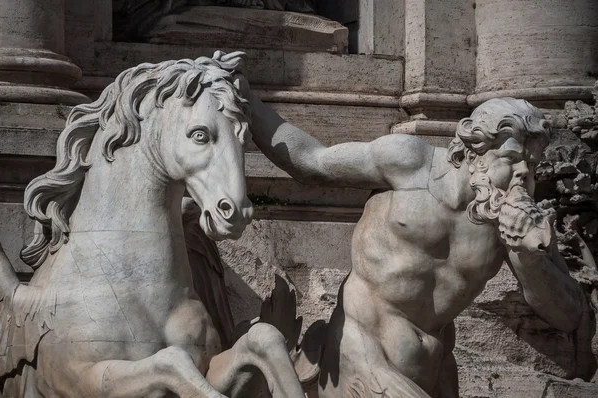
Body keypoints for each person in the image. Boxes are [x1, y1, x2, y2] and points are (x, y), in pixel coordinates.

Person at [248, 96, 584, 397]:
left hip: (436, 372)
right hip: (363, 356)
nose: (523, 172)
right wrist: (245, 98)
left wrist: (530, 257)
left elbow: (568, 315)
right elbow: (311, 161)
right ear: (472, 152)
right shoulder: (410, 163)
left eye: (533, 163)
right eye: (510, 158)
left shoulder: (516, 220)